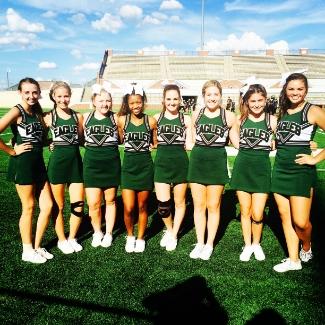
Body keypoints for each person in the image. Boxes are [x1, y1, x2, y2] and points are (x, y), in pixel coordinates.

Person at [272, 73, 325, 272]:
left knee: (301, 222)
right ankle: (294, 260)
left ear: (306, 90)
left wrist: (315, 158)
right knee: (286, 218)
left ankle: (306, 245)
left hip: (301, 171)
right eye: (291, 89)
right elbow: (287, 137)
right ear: (286, 90)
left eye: (299, 89)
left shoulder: (314, 110)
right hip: (280, 169)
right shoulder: (284, 110)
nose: (295, 93)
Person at [0, 77, 53, 263]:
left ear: (39, 93)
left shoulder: (37, 112)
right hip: (22, 165)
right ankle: (27, 250)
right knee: (29, 207)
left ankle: (37, 246)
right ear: (20, 93)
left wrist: (49, 143)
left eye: (35, 92)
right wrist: (12, 151)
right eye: (27, 92)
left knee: (47, 206)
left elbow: (38, 139)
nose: (31, 96)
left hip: (38, 164)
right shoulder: (17, 110)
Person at [188, 80, 239, 260]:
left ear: (220, 96)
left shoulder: (229, 116)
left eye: (215, 94)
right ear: (203, 96)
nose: (212, 98)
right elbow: (191, 139)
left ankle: (209, 244)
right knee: (199, 206)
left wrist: (271, 143)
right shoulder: (196, 114)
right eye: (208, 94)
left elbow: (237, 141)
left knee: (213, 205)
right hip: (197, 162)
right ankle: (200, 242)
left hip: (217, 163)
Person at [230, 84, 277, 262]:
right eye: (253, 101)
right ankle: (248, 244)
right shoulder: (240, 119)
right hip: (243, 168)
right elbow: (233, 133)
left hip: (261, 170)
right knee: (245, 211)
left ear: (265, 100)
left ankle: (257, 243)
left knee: (257, 213)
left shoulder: (272, 120)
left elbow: (282, 140)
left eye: (260, 100)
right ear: (247, 102)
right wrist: (237, 144)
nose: (256, 104)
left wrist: (273, 144)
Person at [44, 81, 84, 254]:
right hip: (57, 166)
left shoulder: (78, 117)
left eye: (66, 96)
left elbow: (82, 139)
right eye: (59, 96)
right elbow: (38, 138)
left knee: (78, 204)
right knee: (58, 206)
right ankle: (61, 239)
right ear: (53, 96)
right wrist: (49, 142)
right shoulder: (48, 117)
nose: (63, 99)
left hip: (75, 164)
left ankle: (72, 237)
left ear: (70, 95)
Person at [117, 84, 157, 253]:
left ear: (143, 102)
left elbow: (155, 143)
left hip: (145, 167)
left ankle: (140, 238)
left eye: (138, 102)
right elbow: (119, 139)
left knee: (142, 206)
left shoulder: (151, 121)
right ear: (127, 103)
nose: (136, 106)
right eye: (132, 103)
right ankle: (130, 235)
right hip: (128, 168)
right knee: (128, 207)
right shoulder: (122, 120)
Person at [153, 84, 193, 251]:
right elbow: (151, 141)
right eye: (168, 99)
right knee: (163, 206)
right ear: (163, 100)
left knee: (180, 202)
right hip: (162, 164)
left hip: (180, 163)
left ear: (180, 100)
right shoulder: (156, 118)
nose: (172, 102)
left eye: (175, 98)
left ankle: (174, 234)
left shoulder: (186, 119)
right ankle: (169, 230)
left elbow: (190, 143)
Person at [83, 82, 120, 248]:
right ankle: (97, 232)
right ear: (94, 102)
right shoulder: (85, 118)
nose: (105, 104)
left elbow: (122, 138)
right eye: (101, 100)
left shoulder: (116, 117)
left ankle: (109, 233)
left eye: (108, 101)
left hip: (111, 164)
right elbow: (78, 138)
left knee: (110, 200)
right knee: (93, 203)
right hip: (91, 165)